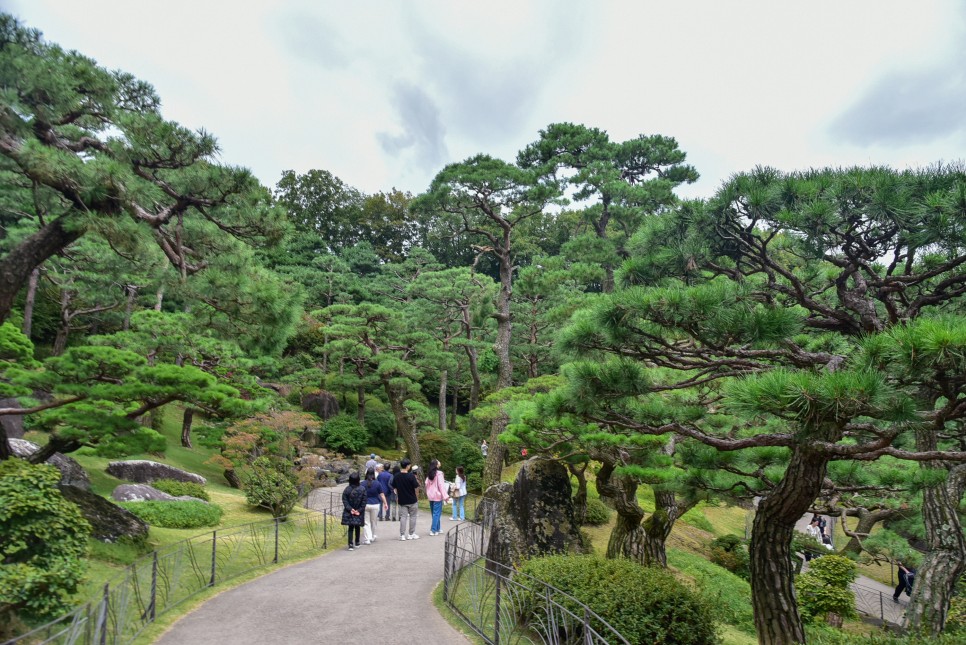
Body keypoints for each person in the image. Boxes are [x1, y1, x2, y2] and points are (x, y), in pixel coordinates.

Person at [393, 459, 421, 540]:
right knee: (413, 517)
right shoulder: (411, 476)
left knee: (403, 517)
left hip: (402, 500)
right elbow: (416, 486)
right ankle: (411, 534)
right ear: (408, 466)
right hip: (412, 499)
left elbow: (394, 487)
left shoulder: (397, 476)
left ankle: (402, 535)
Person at [341, 472, 367, 551]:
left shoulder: (347, 489)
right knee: (357, 526)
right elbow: (364, 501)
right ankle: (357, 541)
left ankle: (350, 544)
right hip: (358, 510)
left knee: (351, 527)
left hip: (350, 511)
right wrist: (359, 510)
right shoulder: (362, 489)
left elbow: (344, 500)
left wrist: (350, 509)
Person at [424, 459, 451, 536]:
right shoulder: (439, 473)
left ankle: (438, 529)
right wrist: (446, 496)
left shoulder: (429, 473)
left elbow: (426, 483)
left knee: (434, 513)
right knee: (436, 513)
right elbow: (441, 486)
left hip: (431, 496)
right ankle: (433, 530)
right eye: (438, 461)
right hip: (437, 496)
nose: (440, 462)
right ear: (436, 464)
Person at [362, 468, 387, 545]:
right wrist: (385, 503)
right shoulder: (377, 483)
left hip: (365, 504)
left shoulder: (362, 483)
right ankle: (372, 536)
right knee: (373, 521)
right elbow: (382, 494)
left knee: (366, 522)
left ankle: (367, 539)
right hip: (375, 504)